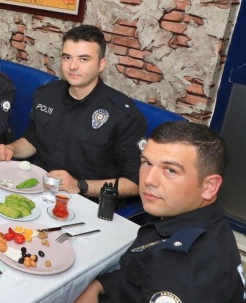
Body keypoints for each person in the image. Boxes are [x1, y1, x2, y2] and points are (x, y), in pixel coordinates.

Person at [75, 121, 246, 303]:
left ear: (209, 186)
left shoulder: (182, 271)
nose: (149, 180)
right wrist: (100, 285)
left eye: (171, 170)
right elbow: (134, 274)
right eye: (147, 163)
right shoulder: (183, 214)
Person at [0, 25, 147, 199]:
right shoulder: (46, 94)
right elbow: (33, 140)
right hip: (36, 188)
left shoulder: (123, 114)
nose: (73, 66)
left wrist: (79, 186)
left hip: (85, 201)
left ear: (101, 64)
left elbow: (135, 183)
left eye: (84, 59)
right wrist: (10, 149)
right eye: (67, 57)